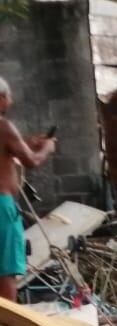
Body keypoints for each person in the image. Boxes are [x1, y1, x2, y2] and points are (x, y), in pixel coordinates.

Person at [0, 76, 56, 302]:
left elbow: (7, 150)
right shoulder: (3, 126)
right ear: (1, 99)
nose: (11, 101)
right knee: (5, 274)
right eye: (8, 97)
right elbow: (32, 160)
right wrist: (48, 148)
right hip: (2, 207)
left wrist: (25, 142)